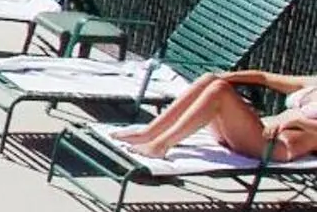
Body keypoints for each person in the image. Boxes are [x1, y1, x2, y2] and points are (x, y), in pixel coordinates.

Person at [111, 69, 317, 162]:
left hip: (276, 147)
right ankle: (149, 133)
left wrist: (297, 120)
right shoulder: (313, 83)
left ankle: (160, 146)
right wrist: (227, 76)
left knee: (219, 91)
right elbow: (263, 77)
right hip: (252, 134)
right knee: (212, 80)